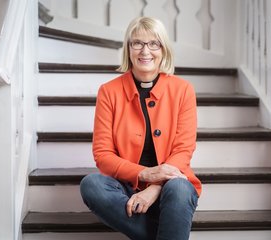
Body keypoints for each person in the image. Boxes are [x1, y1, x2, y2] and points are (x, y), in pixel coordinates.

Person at [80, 16, 201, 240]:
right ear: (128, 49)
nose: (145, 51)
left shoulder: (183, 90)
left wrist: (155, 186)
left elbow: (184, 149)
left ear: (163, 50)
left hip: (171, 189)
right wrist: (144, 173)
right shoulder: (109, 92)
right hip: (125, 190)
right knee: (92, 185)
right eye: (137, 43)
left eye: (153, 43)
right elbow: (103, 155)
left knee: (180, 189)